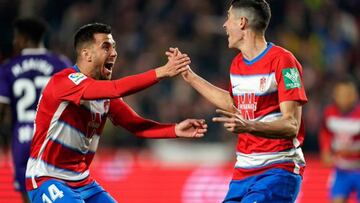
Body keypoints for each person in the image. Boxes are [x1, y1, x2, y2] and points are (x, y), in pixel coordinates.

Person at [24, 22, 207, 203]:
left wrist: (174, 129)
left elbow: (136, 125)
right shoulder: (64, 82)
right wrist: (162, 72)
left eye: (114, 47)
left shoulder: (105, 96)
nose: (114, 53)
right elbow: (116, 89)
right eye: (106, 47)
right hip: (46, 178)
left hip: (82, 181)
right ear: (86, 54)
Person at [167, 0, 308, 202]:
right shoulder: (237, 64)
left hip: (278, 168)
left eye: (228, 18)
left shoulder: (284, 61)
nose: (224, 25)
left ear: (242, 22)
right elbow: (234, 104)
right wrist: (190, 77)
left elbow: (291, 124)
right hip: (243, 171)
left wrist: (249, 126)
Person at [0, 17, 72, 203]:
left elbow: (1, 109)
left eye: (16, 37)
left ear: (23, 38)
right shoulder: (61, 64)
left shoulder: (8, 68)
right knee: (60, 193)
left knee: (29, 195)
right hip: (54, 138)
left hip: (23, 138)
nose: (14, 42)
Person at [319, 76, 360, 203]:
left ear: (355, 95)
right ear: (335, 95)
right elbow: (325, 133)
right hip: (341, 170)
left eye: (348, 94)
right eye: (341, 94)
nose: (344, 98)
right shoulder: (329, 113)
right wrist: (325, 151)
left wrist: (352, 152)